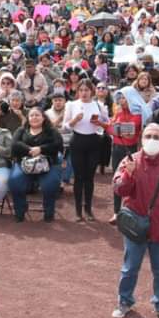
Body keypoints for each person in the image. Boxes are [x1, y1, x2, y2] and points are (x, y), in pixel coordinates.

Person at [111, 123, 159, 318]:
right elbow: (119, 190)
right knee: (129, 268)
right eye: (148, 136)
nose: (152, 140)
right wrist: (128, 174)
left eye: (156, 137)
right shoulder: (129, 161)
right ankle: (124, 301)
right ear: (142, 139)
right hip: (135, 227)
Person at [63, 79, 109, 221]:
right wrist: (74, 121)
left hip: (93, 142)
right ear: (78, 91)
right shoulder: (71, 105)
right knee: (78, 177)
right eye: (81, 90)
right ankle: (78, 211)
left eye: (86, 90)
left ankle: (88, 209)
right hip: (77, 141)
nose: (84, 93)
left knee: (89, 177)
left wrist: (99, 123)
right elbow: (65, 127)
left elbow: (107, 124)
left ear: (92, 91)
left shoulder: (99, 105)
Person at [8, 107, 63, 222]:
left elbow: (58, 145)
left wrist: (41, 149)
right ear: (28, 118)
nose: (34, 117)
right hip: (24, 164)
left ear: (43, 118)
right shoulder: (21, 130)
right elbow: (14, 144)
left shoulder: (52, 131)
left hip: (47, 165)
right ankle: (20, 210)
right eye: (31, 115)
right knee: (15, 182)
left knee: (50, 186)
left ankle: (49, 212)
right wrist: (30, 149)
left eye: (37, 115)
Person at [107, 92, 142, 224]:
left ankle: (130, 211)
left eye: (125, 98)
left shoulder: (137, 114)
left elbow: (131, 131)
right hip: (117, 148)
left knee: (133, 180)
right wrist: (119, 129)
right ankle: (116, 212)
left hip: (131, 150)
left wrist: (118, 129)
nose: (122, 101)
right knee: (118, 179)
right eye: (120, 98)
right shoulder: (118, 113)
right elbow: (110, 129)